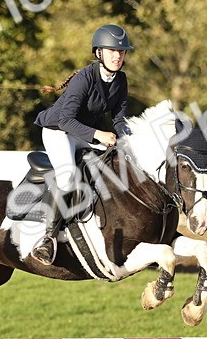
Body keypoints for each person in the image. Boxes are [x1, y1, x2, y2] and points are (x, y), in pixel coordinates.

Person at [30, 23, 134, 265]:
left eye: (121, 52)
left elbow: (120, 119)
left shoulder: (121, 80)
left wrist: (129, 140)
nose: (117, 56)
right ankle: (48, 238)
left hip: (84, 133)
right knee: (66, 177)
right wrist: (98, 134)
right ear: (99, 53)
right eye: (112, 51)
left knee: (112, 163)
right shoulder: (85, 78)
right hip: (58, 130)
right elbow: (66, 119)